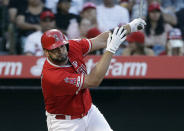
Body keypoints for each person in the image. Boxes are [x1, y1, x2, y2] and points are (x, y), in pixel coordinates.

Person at [40, 18, 146, 131]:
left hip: (89, 112)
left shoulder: (72, 46)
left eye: (62, 46)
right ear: (46, 52)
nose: (61, 50)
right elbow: (93, 80)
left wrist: (130, 27)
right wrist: (111, 49)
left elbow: (100, 40)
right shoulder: (52, 75)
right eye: (55, 49)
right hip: (65, 122)